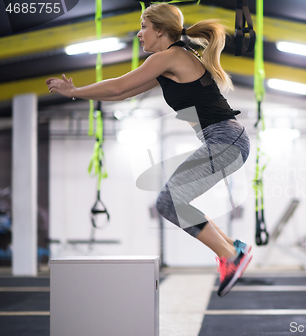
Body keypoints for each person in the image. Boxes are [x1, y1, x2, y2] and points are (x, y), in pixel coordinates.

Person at [46, 3, 252, 297]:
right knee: (172, 201)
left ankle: (232, 256)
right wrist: (81, 94)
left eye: (144, 27)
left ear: (160, 30)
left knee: (170, 201)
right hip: (227, 140)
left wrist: (74, 91)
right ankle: (233, 248)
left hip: (225, 140)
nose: (139, 34)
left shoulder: (170, 56)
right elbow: (124, 92)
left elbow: (117, 87)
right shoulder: (169, 62)